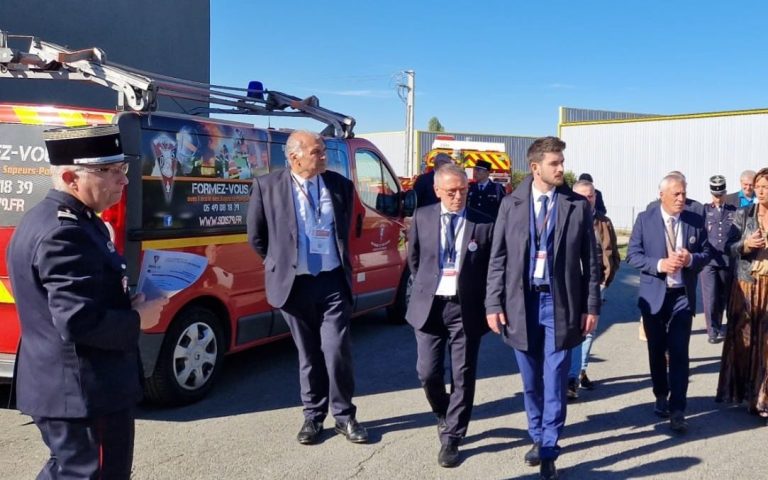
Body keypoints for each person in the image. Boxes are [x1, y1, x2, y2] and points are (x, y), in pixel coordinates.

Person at [6, 125, 167, 479]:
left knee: (70, 470)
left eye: (123, 169)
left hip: (70, 387)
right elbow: (78, 320)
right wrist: (139, 318)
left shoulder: (63, 219)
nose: (123, 181)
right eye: (108, 171)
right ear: (69, 177)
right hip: (84, 393)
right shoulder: (65, 231)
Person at [485, 136, 600, 480]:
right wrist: (493, 302)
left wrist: (590, 305)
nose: (562, 168)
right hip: (521, 302)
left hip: (559, 303)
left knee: (555, 377)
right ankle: (536, 435)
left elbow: (590, 263)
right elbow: (498, 258)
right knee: (531, 379)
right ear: (535, 168)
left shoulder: (576, 205)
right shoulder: (511, 204)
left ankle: (549, 445)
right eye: (555, 163)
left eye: (562, 161)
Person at [246, 130, 368, 445]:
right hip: (294, 284)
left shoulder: (341, 187)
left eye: (324, 150)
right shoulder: (267, 187)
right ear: (294, 157)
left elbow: (345, 232)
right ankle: (313, 417)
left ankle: (345, 416)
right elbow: (256, 236)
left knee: (337, 350)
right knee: (309, 353)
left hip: (331, 282)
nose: (324, 156)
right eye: (317, 152)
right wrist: (280, 262)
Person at [405, 163, 494, 468]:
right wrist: (429, 287)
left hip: (465, 308)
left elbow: (491, 269)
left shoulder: (483, 224)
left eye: (463, 190)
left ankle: (453, 436)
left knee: (463, 374)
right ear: (437, 190)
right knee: (427, 372)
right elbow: (415, 260)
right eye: (452, 191)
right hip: (429, 306)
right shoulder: (422, 217)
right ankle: (443, 410)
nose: (458, 197)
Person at [626, 173, 712, 433]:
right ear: (661, 194)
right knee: (657, 351)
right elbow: (632, 255)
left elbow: (707, 253)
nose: (681, 198)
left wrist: (690, 260)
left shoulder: (695, 220)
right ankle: (661, 394)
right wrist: (660, 264)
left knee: (679, 353)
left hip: (682, 298)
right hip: (653, 298)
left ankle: (678, 410)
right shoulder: (645, 219)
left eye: (684, 193)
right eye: (676, 194)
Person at [717, 167, 768, 421]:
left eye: (766, 186)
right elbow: (729, 246)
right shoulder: (744, 214)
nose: (761, 190)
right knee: (745, 342)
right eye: (759, 186)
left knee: (766, 344)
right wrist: (746, 245)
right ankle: (744, 393)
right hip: (747, 284)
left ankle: (763, 397)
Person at [567, 180, 621, 397]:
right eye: (582, 196)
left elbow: (613, 252)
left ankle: (575, 376)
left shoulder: (603, 222)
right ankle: (568, 373)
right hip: (569, 285)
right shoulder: (564, 219)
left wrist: (606, 279)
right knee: (570, 330)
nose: (586, 200)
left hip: (595, 284)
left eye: (590, 196)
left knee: (588, 331)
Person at [700, 175, 736, 344]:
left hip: (727, 260)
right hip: (709, 261)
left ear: (725, 193)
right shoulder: (704, 211)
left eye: (720, 194)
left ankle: (721, 325)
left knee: (723, 296)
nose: (718, 198)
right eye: (715, 195)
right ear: (711, 193)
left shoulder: (733, 211)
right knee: (710, 297)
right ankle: (712, 331)